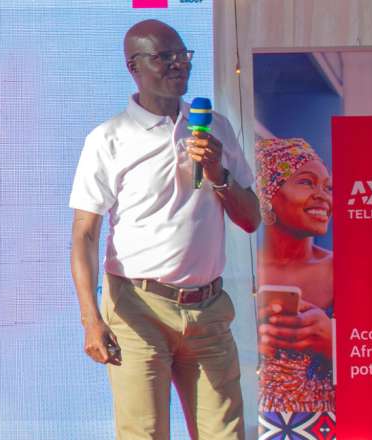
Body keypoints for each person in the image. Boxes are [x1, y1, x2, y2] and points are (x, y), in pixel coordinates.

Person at [69, 19, 260, 440]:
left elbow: (251, 219)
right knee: (145, 433)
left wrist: (218, 173)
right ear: (134, 67)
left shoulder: (215, 127)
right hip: (138, 307)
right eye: (164, 56)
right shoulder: (108, 139)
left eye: (183, 55)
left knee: (225, 434)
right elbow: (84, 234)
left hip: (208, 309)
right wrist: (90, 319)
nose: (179, 64)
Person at [254, 138, 335, 437]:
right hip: (251, 419)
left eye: (328, 187)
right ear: (267, 193)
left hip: (326, 425)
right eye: (306, 182)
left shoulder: (344, 270)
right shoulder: (239, 269)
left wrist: (332, 341)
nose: (322, 196)